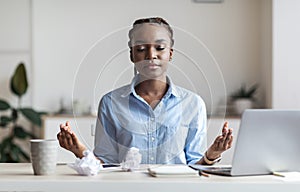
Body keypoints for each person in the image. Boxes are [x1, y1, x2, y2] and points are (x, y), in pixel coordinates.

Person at [57, 17, 233, 165]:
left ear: (170, 53)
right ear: (132, 55)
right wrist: (78, 150)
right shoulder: (111, 103)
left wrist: (212, 155)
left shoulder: (193, 104)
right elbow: (107, 165)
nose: (151, 55)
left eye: (159, 48)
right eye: (141, 49)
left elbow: (194, 167)